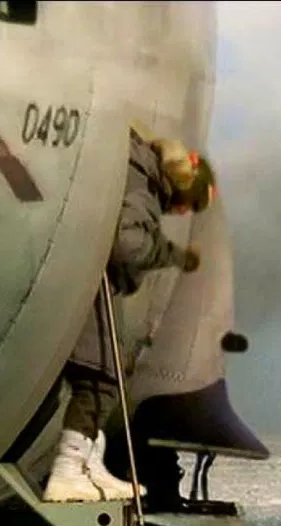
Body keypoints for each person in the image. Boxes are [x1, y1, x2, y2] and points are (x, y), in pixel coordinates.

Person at [43, 131, 217, 503]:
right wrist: (172, 254)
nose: (180, 213)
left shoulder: (137, 171)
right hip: (90, 285)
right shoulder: (143, 187)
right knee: (102, 379)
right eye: (187, 205)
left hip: (83, 280)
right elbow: (126, 244)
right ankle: (68, 471)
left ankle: (88, 466)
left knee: (107, 377)